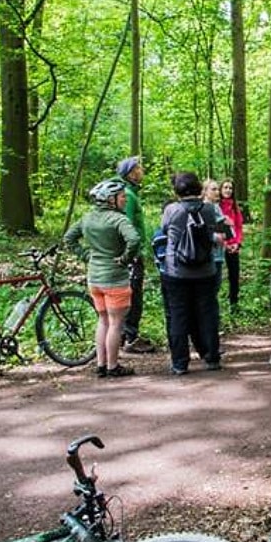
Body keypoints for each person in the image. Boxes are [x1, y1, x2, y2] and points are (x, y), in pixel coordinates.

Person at [63, 179, 141, 378]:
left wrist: (86, 256)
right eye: (122, 196)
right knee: (116, 324)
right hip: (115, 279)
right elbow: (134, 240)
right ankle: (113, 366)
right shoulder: (118, 220)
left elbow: (68, 239)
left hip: (94, 278)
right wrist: (125, 259)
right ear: (110, 200)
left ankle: (101, 364)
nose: (125, 199)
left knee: (103, 321)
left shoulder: (87, 218)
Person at [159, 171, 222, 375]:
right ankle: (212, 357)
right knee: (208, 313)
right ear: (198, 188)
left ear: (177, 189)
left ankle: (180, 363)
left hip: (176, 271)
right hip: (206, 270)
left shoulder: (171, 210)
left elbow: (164, 229)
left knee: (178, 315)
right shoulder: (210, 209)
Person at [116, 156, 155, 354]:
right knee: (134, 294)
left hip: (133, 253)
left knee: (131, 293)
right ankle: (130, 336)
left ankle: (125, 335)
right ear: (131, 173)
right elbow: (127, 226)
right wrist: (133, 254)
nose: (142, 170)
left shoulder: (130, 193)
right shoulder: (129, 196)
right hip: (132, 254)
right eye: (139, 167)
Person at [218, 180, 244, 313]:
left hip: (233, 246)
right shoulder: (216, 206)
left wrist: (237, 243)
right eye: (225, 187)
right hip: (219, 245)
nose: (228, 190)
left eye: (230, 188)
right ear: (220, 189)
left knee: (234, 275)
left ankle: (234, 304)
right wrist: (225, 244)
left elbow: (239, 227)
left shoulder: (235, 207)